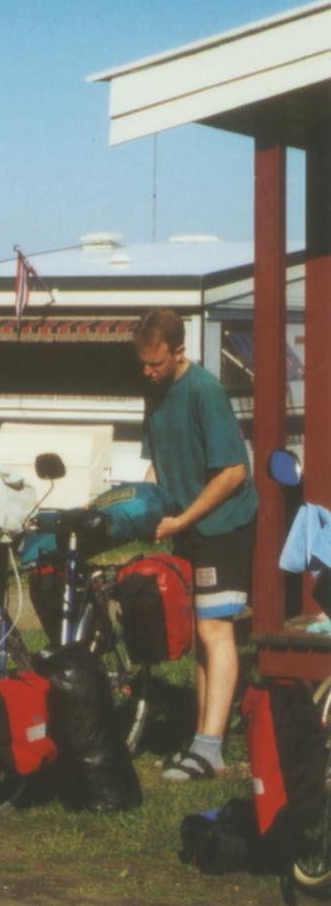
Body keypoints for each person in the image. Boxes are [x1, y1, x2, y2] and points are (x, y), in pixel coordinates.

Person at [135, 308, 258, 781]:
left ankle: (210, 749)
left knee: (215, 631)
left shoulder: (205, 390)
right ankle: (201, 742)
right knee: (197, 639)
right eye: (143, 364)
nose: (149, 372)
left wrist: (182, 518)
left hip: (222, 524)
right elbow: (157, 467)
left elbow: (233, 472)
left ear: (179, 351)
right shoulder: (154, 390)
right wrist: (137, 510)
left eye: (157, 363)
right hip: (187, 526)